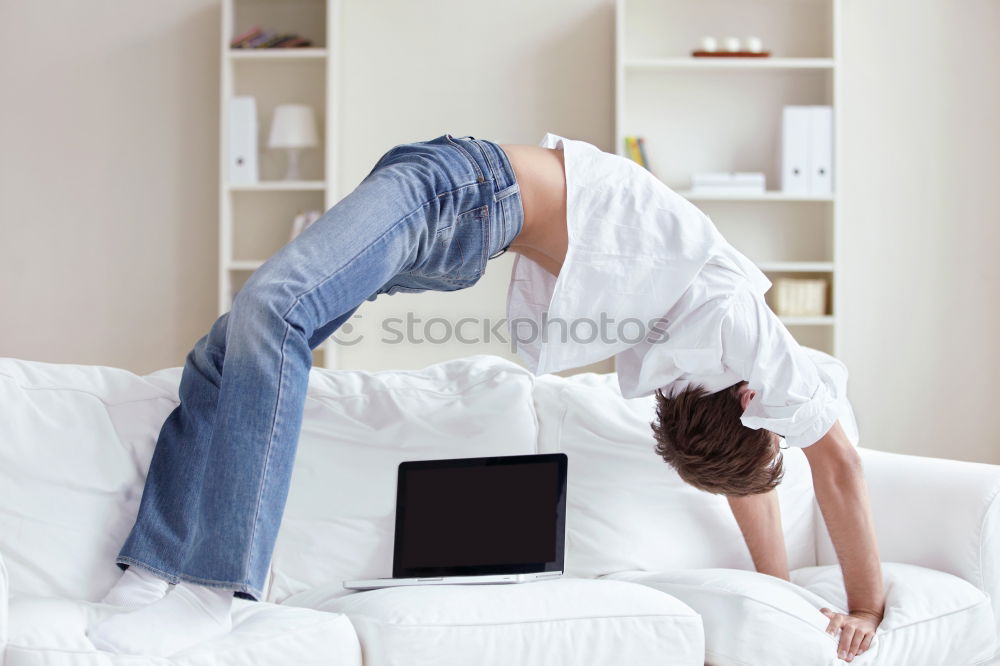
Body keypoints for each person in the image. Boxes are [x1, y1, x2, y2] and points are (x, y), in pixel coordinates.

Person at [88, 132, 883, 663]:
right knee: (230, 347)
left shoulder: (695, 354)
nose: (784, 419)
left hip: (459, 208)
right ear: (754, 396)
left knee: (270, 317)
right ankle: (167, 568)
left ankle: (206, 586)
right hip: (458, 191)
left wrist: (774, 597)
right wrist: (867, 608)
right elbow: (838, 464)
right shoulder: (741, 319)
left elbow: (749, 478)